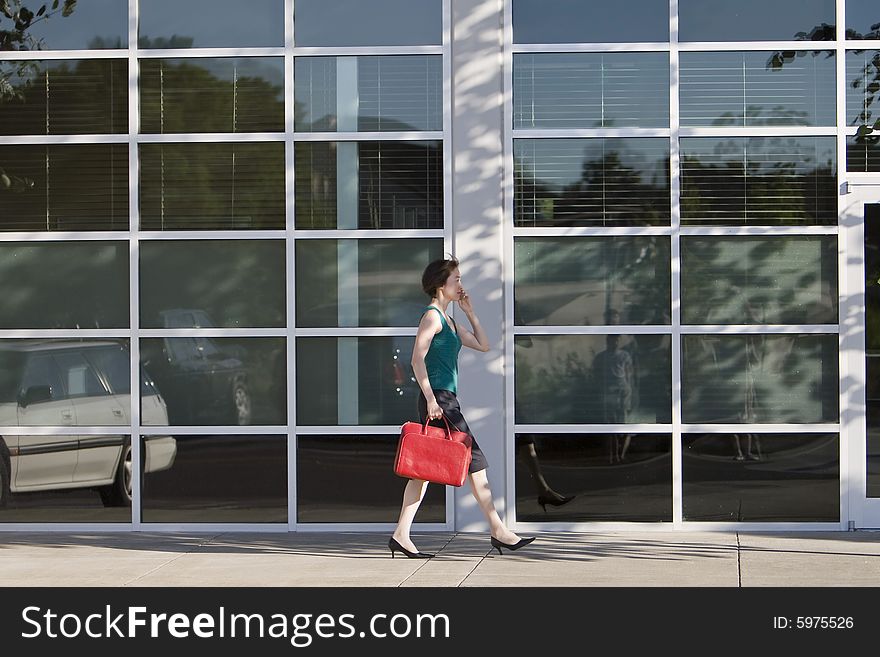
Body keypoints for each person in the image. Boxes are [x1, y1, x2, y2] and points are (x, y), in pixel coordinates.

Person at [390, 257, 536, 558]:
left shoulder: (450, 321)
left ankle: (401, 534)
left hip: (445, 399)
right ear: (440, 284)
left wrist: (469, 312)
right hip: (439, 400)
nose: (461, 284)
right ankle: (498, 531)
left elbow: (484, 345)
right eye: (456, 279)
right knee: (475, 463)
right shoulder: (432, 317)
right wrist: (430, 398)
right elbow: (416, 359)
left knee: (422, 471)